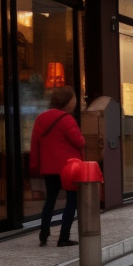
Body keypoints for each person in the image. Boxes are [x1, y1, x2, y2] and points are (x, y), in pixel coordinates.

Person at [29, 85, 86, 249]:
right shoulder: (67, 119)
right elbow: (79, 141)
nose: (76, 101)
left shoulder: (41, 118)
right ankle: (63, 237)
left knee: (50, 200)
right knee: (72, 201)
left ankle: (44, 234)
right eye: (74, 98)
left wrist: (35, 165)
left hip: (49, 168)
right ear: (68, 101)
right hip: (68, 169)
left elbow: (35, 143)